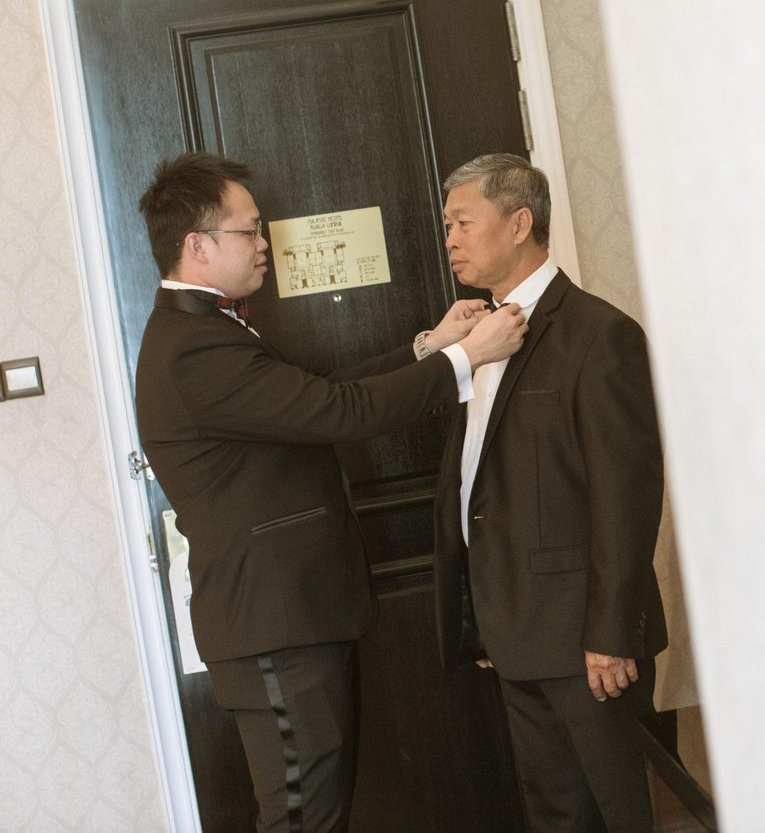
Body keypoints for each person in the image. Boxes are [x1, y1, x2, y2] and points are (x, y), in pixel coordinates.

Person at [133, 152, 526, 833]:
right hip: (272, 627)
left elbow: (317, 395)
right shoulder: (191, 346)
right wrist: (468, 357)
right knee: (302, 819)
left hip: (290, 620)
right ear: (197, 246)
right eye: (248, 231)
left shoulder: (208, 330)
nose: (264, 245)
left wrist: (428, 347)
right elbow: (338, 413)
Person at [433, 153, 668, 831]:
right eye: (446, 222)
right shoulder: (474, 333)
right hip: (514, 632)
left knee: (619, 813)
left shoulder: (601, 335)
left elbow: (626, 496)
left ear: (519, 224)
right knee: (557, 818)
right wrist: (481, 613)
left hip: (589, 643)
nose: (449, 235)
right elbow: (480, 482)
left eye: (462, 220)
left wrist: (612, 632)